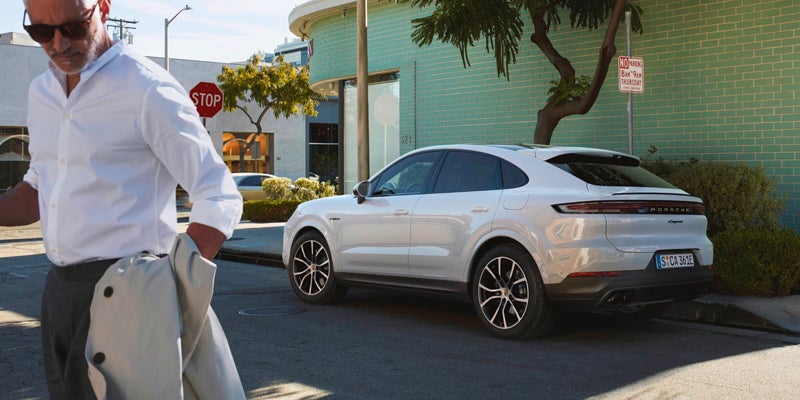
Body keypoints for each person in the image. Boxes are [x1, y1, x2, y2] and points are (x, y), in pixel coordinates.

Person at [0, 0, 244, 397]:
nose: (58, 44)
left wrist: (171, 287)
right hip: (58, 292)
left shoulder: (147, 87)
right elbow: (39, 189)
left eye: (73, 28)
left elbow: (218, 194)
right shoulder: (41, 92)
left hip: (130, 292)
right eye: (42, 33)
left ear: (103, 7)